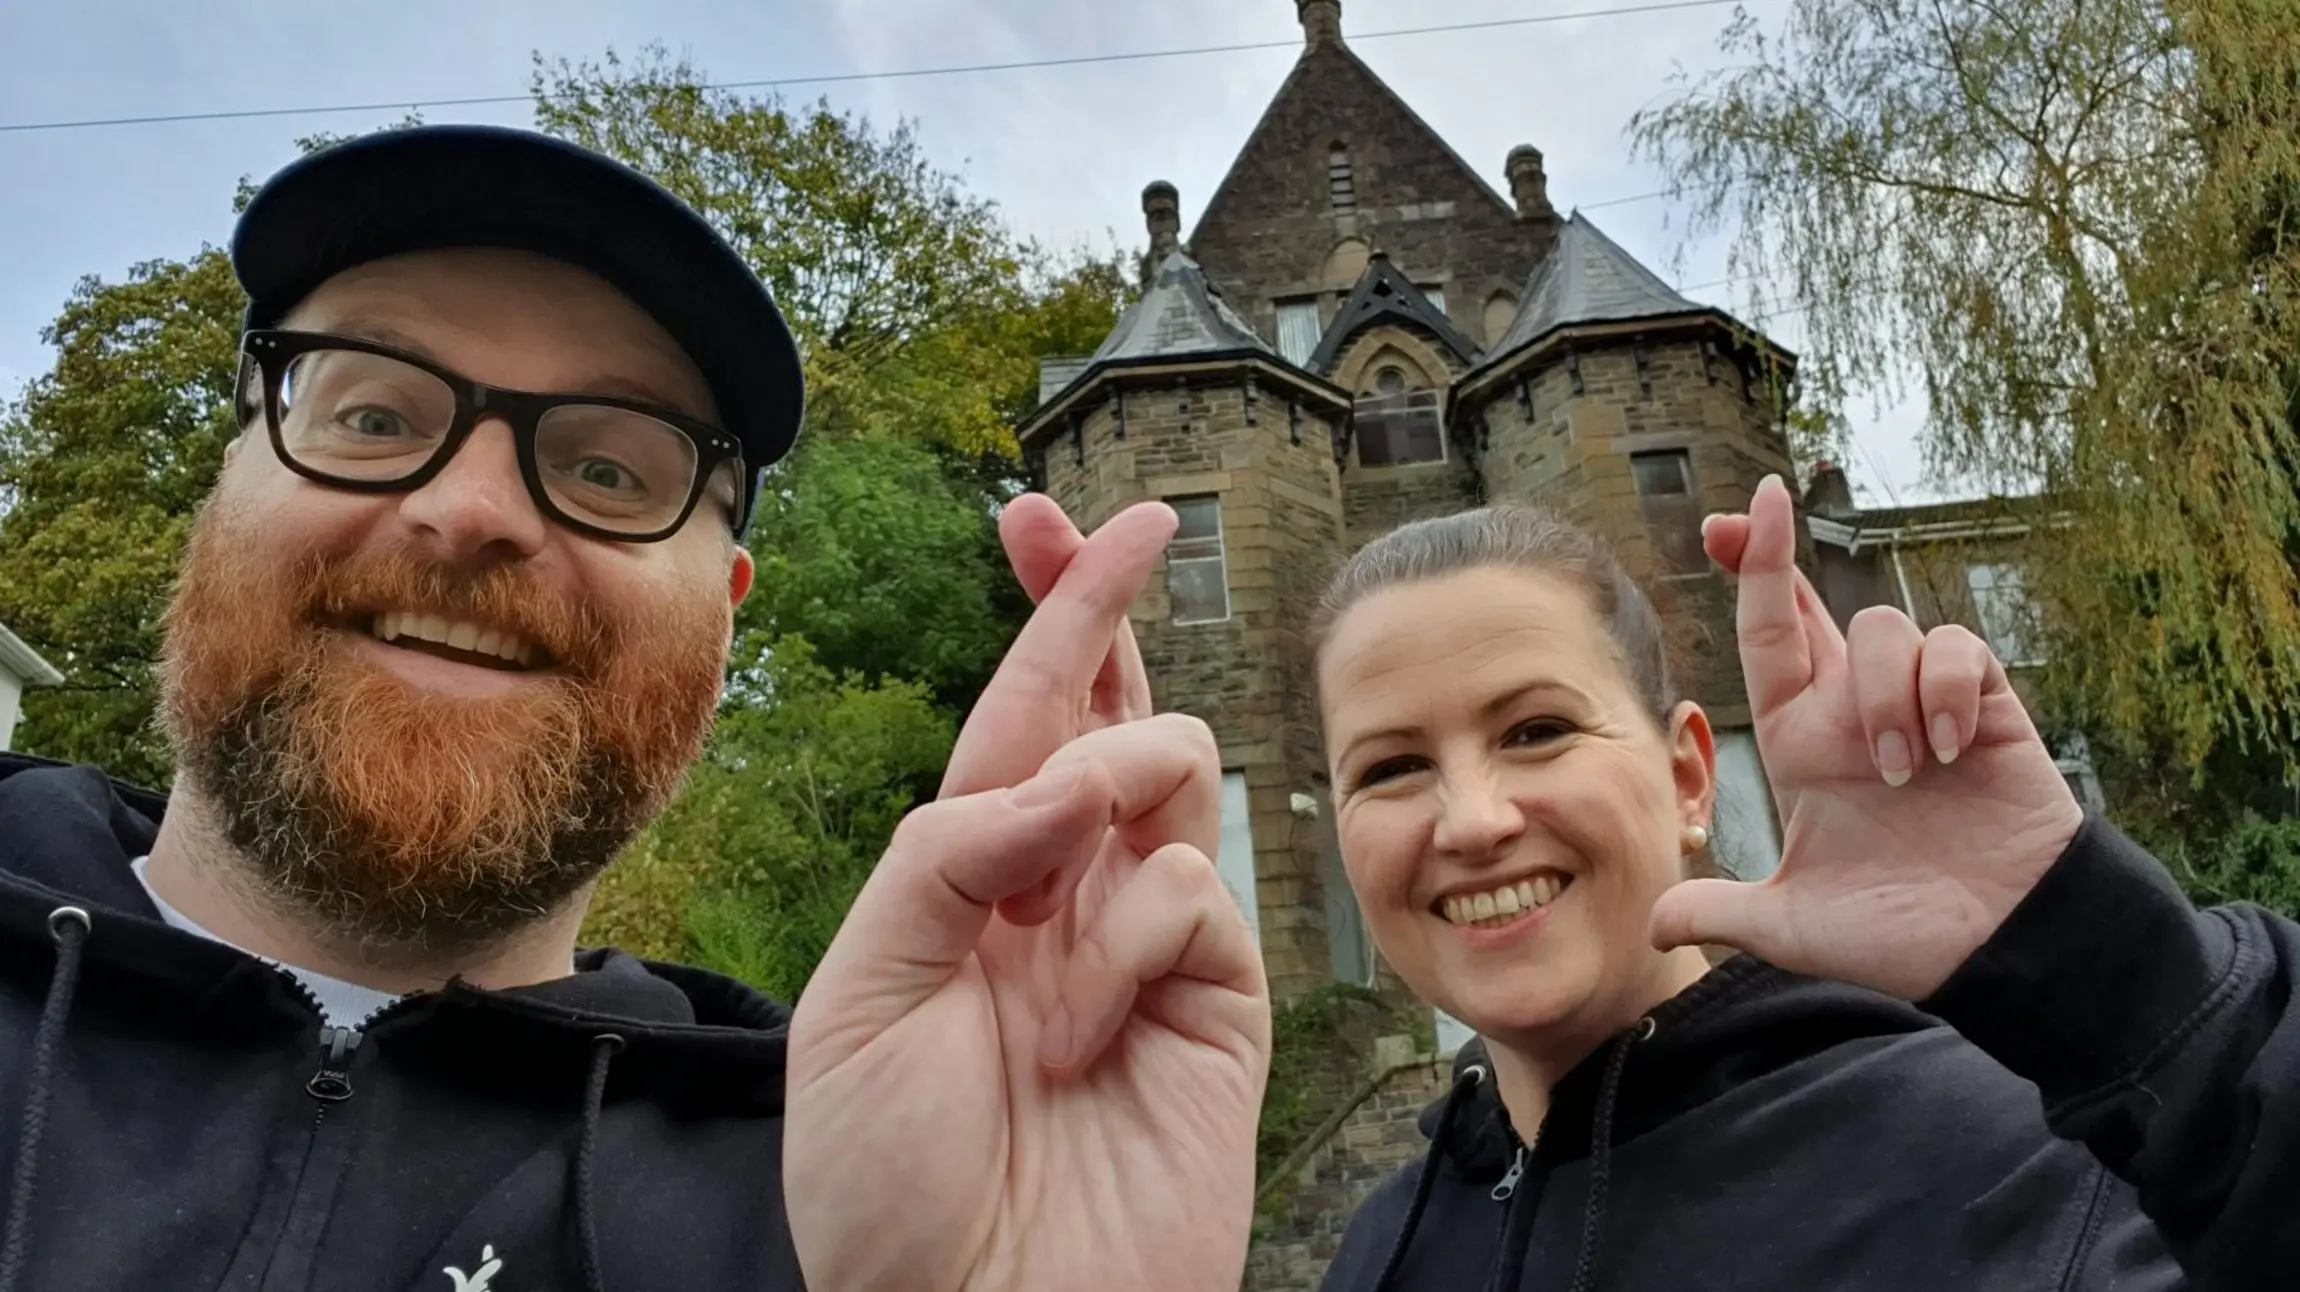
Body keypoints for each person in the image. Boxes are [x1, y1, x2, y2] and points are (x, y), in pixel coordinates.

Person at [0, 123, 1269, 1292]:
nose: (475, 509)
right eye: (375, 411)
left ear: (724, 615)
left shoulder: (834, 1203)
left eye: (608, 466)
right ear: (223, 481)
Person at [1309, 479, 2297, 1292]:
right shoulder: (1378, 1248)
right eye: (1388, 766)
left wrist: (2118, 977)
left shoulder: (2010, 1165)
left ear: (1687, 775)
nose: (1472, 819)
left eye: (1536, 731)